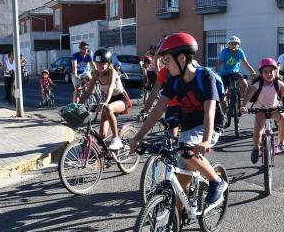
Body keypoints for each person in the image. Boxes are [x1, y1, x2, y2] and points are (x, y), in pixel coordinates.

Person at [129, 32, 227, 208]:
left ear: (181, 58)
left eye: (167, 60)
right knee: (181, 187)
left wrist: (205, 140)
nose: (165, 65)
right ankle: (175, 228)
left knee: (187, 152)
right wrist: (139, 136)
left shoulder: (205, 76)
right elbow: (159, 109)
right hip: (189, 127)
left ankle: (216, 181)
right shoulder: (174, 81)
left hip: (209, 126)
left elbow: (209, 110)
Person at [240, 58, 284, 164]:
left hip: (274, 109)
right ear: (261, 73)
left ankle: (280, 145)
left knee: (283, 119)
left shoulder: (278, 83)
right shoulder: (258, 84)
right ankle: (256, 149)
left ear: (275, 72)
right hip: (260, 110)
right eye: (265, 71)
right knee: (257, 132)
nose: (269, 74)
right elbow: (248, 95)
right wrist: (243, 107)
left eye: (271, 71)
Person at [79, 48, 131, 150]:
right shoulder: (96, 74)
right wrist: (77, 105)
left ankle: (117, 139)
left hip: (121, 99)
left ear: (108, 63)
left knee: (108, 108)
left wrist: (105, 102)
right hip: (108, 101)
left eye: (102, 63)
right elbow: (88, 91)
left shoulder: (113, 71)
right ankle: (107, 156)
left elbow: (111, 87)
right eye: (97, 63)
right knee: (102, 134)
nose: (99, 66)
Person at [215, 36, 256, 126]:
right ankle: (223, 114)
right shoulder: (224, 51)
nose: (234, 45)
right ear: (228, 44)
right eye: (232, 43)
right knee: (223, 95)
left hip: (235, 73)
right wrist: (214, 73)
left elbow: (245, 63)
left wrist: (252, 72)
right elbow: (219, 63)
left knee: (244, 83)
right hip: (224, 74)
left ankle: (238, 98)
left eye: (236, 43)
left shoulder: (240, 51)